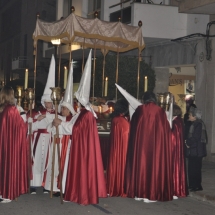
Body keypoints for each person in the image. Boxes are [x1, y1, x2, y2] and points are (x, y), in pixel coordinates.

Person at [52, 49, 107, 205]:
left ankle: (79, 193)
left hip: (81, 148)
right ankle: (72, 191)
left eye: (78, 97)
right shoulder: (83, 112)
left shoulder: (86, 114)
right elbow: (72, 125)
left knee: (80, 169)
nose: (77, 100)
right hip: (78, 146)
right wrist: (61, 123)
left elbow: (74, 129)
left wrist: (60, 123)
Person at [124, 91, 173, 202]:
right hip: (156, 146)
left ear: (144, 99)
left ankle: (139, 193)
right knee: (154, 165)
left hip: (141, 145)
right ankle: (152, 193)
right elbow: (165, 130)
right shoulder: (160, 111)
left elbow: (133, 127)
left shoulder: (140, 110)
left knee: (141, 164)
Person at [29, 55, 56, 194]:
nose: (48, 104)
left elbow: (56, 123)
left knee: (48, 161)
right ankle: (34, 185)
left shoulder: (56, 113)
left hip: (50, 139)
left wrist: (48, 116)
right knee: (36, 160)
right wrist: (37, 120)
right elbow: (31, 126)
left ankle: (47, 185)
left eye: (50, 102)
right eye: (46, 102)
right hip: (39, 139)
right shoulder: (37, 112)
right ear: (43, 102)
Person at [0, 86, 28, 203]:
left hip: (7, 143)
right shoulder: (9, 109)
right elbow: (22, 126)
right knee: (6, 166)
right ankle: (5, 192)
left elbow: (20, 126)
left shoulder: (7, 109)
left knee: (6, 166)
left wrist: (21, 113)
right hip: (7, 143)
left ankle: (6, 193)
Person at [106, 98, 130, 197]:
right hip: (123, 149)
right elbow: (127, 135)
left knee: (114, 165)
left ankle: (113, 187)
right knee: (121, 166)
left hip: (115, 148)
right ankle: (120, 187)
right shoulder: (122, 121)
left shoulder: (115, 119)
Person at [185, 107, 207, 192]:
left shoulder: (198, 124)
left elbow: (196, 137)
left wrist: (187, 142)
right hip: (194, 150)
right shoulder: (195, 124)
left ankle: (196, 185)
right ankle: (193, 185)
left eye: (190, 115)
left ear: (195, 116)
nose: (189, 116)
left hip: (197, 151)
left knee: (195, 169)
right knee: (192, 168)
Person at [171, 104, 188, 198]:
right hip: (177, 149)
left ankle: (175, 190)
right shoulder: (179, 121)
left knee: (175, 168)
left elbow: (172, 136)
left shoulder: (176, 122)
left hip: (174, 149)